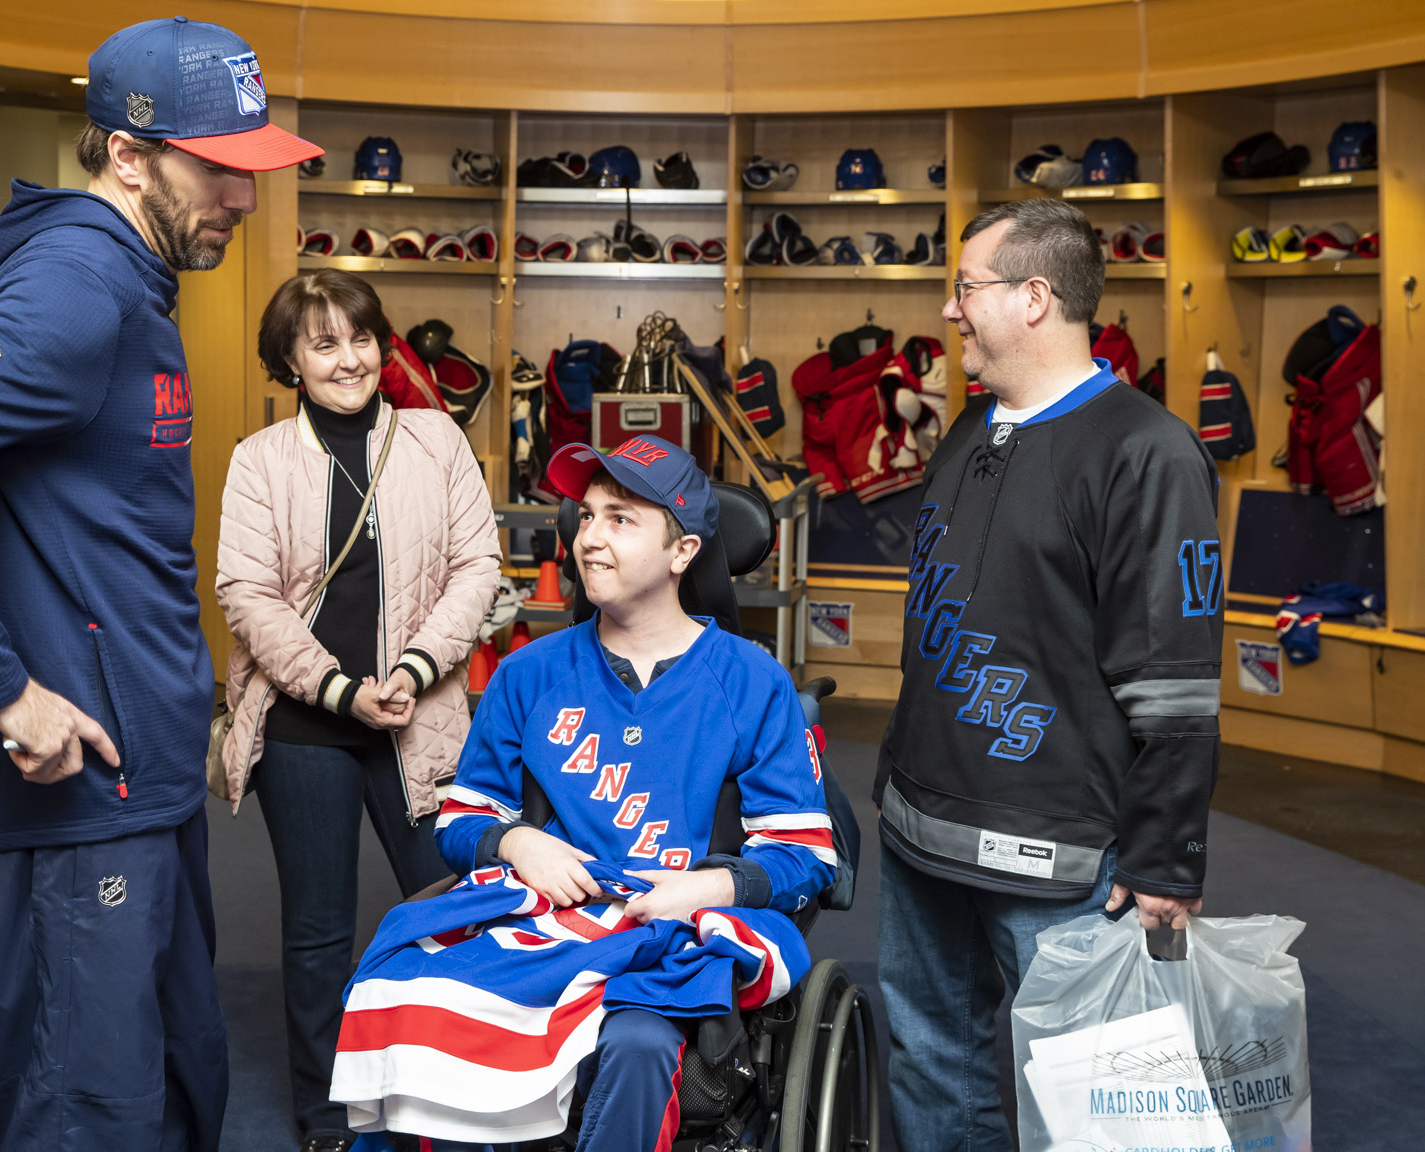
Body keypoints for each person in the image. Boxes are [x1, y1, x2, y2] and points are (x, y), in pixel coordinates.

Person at [0, 18, 321, 1150]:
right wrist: (6, 689)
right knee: (87, 1116)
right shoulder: (80, 281)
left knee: (175, 1082)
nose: (244, 202)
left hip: (134, 785)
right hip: (73, 804)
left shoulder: (128, 280)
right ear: (127, 154)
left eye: (254, 167)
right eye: (220, 169)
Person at [328, 436, 836, 1151]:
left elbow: (805, 855)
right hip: (542, 919)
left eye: (620, 519)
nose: (589, 539)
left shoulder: (751, 682)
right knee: (398, 989)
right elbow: (462, 820)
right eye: (588, 515)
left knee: (637, 1046)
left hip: (670, 939)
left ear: (682, 551)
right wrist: (515, 840)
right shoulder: (527, 673)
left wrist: (705, 888)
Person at [874, 197, 1223, 1151]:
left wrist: (1165, 857)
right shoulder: (967, 431)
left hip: (1061, 858)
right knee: (931, 1060)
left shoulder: (1147, 452)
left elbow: (1178, 682)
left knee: (1097, 1107)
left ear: (1035, 298)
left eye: (965, 288)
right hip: (922, 831)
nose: (950, 311)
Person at [214, 268, 501, 1152]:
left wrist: (414, 668)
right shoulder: (259, 461)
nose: (350, 359)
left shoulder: (435, 439)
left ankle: (450, 1087)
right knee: (317, 932)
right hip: (307, 724)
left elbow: (477, 568)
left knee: (452, 904)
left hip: (421, 716)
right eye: (325, 343)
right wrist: (341, 689)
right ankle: (325, 1113)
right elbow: (248, 596)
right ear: (291, 361)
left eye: (363, 338)